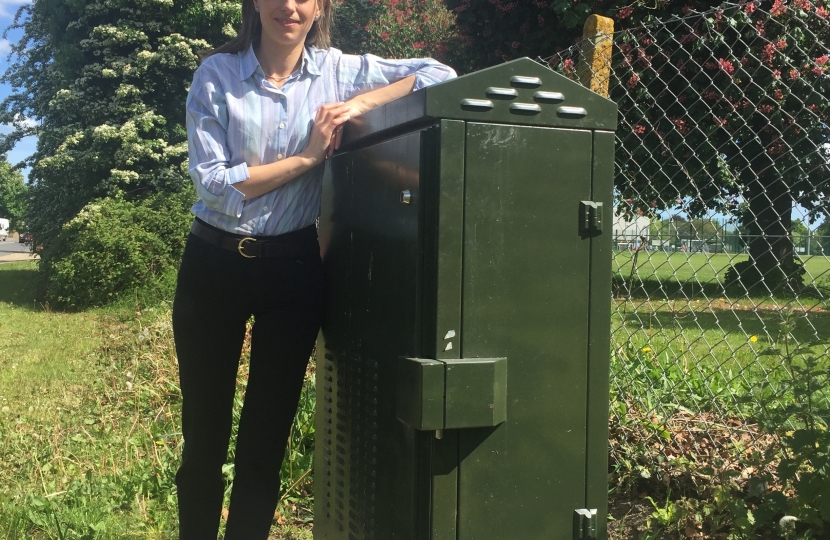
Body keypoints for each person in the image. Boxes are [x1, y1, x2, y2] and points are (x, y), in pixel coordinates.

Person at [174, 0, 456, 538]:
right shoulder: (217, 73)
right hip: (213, 268)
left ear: (321, 5)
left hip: (293, 273)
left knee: (265, 443)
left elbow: (437, 74)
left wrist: (356, 105)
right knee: (203, 439)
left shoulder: (338, 70)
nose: (290, 6)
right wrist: (306, 158)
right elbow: (213, 182)